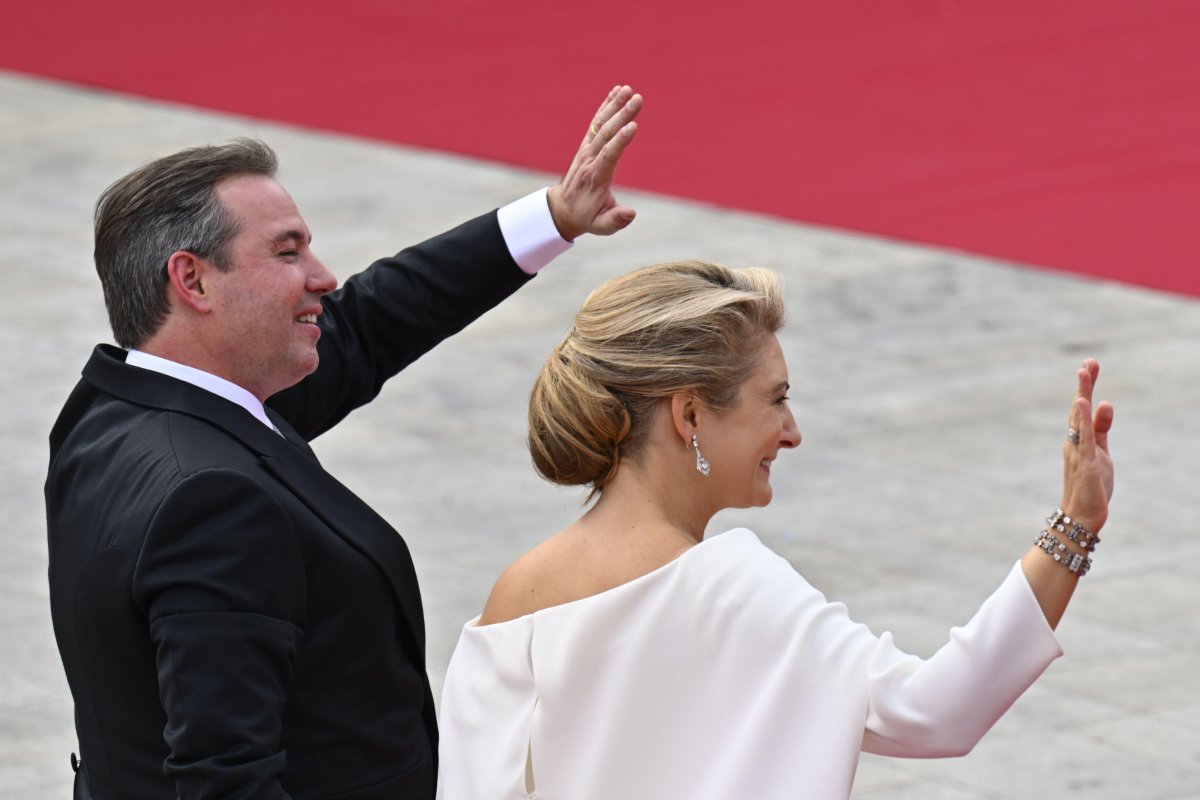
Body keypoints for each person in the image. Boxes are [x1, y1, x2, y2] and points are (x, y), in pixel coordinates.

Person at [45, 86, 642, 799]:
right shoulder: (213, 501)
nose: (322, 277)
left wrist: (552, 219)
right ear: (193, 279)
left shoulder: (111, 409)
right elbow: (226, 782)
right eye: (288, 251)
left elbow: (365, 326)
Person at [438, 260, 1115, 799]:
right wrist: (1074, 527)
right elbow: (937, 711)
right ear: (690, 415)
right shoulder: (737, 588)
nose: (792, 433)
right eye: (777, 399)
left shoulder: (514, 597)